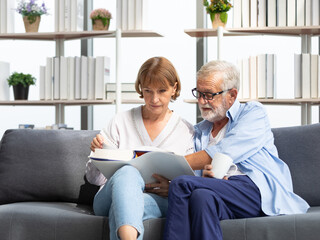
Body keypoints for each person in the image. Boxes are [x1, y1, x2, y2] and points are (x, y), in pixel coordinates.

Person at [163, 60, 310, 240]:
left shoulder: (253, 113)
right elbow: (200, 173)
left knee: (180, 184)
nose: (201, 101)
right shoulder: (200, 131)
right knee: (201, 198)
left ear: (232, 95)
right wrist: (206, 177)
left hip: (255, 189)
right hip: (223, 191)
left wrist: (168, 171)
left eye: (209, 95)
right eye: (199, 93)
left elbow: (225, 151)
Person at [85, 56, 195, 240]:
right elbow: (94, 179)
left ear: (174, 88)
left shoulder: (186, 131)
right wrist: (98, 155)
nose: (154, 99)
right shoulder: (120, 121)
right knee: (128, 172)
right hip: (108, 196)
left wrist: (172, 187)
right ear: (140, 88)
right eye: (147, 91)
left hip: (162, 200)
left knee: (122, 207)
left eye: (162, 91)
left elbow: (192, 181)